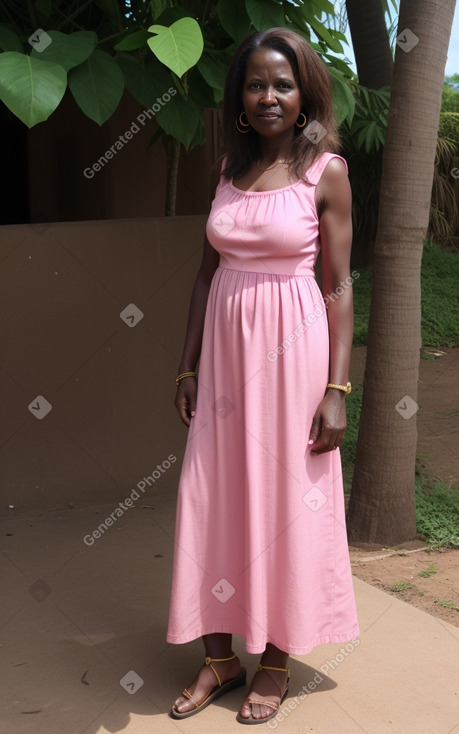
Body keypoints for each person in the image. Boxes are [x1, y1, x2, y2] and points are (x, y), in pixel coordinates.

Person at [167, 26, 359, 725]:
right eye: (256, 84)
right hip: (222, 361)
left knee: (284, 503)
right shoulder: (227, 169)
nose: (269, 95)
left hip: (293, 359)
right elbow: (206, 272)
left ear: (303, 92)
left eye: (282, 83)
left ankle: (274, 660)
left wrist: (337, 391)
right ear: (239, 99)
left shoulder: (324, 171)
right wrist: (186, 364)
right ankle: (219, 656)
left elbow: (337, 288)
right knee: (211, 493)